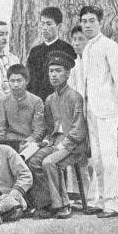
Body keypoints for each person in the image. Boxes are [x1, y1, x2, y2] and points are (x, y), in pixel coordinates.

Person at [80, 5, 118, 218]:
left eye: (92, 21)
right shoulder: (87, 49)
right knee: (97, 158)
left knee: (108, 157)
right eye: (84, 21)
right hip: (91, 110)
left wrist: (113, 103)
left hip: (107, 110)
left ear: (100, 23)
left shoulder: (110, 46)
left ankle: (113, 203)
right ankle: (99, 200)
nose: (87, 25)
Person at [26, 51, 88, 219]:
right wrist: (46, 141)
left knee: (50, 162)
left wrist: (62, 145)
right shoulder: (50, 100)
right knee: (33, 161)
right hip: (55, 144)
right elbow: (49, 128)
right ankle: (47, 202)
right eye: (51, 71)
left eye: (58, 71)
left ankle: (63, 205)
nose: (53, 75)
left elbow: (78, 129)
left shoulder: (75, 97)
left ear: (67, 74)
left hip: (73, 146)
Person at [66, 25, 98, 212]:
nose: (77, 43)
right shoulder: (74, 66)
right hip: (77, 117)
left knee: (94, 158)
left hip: (92, 116)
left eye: (81, 39)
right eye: (74, 40)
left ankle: (94, 197)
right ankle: (80, 196)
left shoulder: (93, 64)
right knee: (77, 158)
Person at [26, 7, 76, 101]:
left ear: (59, 26)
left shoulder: (67, 49)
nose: (44, 28)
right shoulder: (34, 51)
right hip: (37, 102)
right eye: (42, 24)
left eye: (49, 24)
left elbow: (72, 80)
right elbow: (29, 80)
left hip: (60, 101)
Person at [0, 64, 44, 153]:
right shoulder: (3, 100)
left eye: (19, 81)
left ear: (26, 81)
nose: (15, 85)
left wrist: (27, 143)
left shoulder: (36, 101)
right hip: (8, 143)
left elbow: (38, 131)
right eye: (12, 81)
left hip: (28, 143)